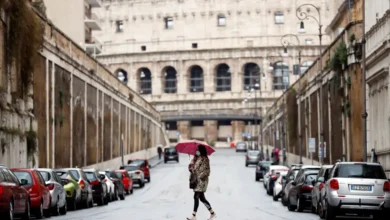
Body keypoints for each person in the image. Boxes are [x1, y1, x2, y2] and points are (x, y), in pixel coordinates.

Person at [187, 145, 216, 220]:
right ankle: (212, 213)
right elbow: (194, 170)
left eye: (198, 149)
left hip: (202, 181)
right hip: (197, 181)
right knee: (202, 198)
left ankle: (193, 215)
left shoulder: (205, 159)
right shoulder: (196, 158)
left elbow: (207, 171)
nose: (197, 151)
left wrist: (200, 176)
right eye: (196, 150)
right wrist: (190, 166)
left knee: (196, 196)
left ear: (201, 150)